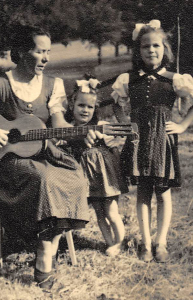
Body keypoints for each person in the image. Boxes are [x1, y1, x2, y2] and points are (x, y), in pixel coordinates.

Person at [0, 25, 89, 289]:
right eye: (40, 51)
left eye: (48, 51)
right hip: (7, 163)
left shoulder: (52, 85)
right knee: (43, 180)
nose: (47, 58)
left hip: (44, 154)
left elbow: (59, 123)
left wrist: (83, 133)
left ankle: (48, 247)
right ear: (21, 53)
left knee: (73, 177)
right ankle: (43, 267)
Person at [110, 20, 193, 262]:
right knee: (143, 192)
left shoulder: (174, 79)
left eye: (156, 46)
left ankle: (160, 242)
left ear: (165, 49)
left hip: (163, 140)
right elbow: (117, 103)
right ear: (138, 51)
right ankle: (146, 243)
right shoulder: (129, 79)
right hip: (139, 141)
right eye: (145, 47)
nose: (151, 50)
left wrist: (182, 125)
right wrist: (125, 126)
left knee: (162, 192)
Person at [63, 76, 128, 257]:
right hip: (87, 178)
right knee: (99, 213)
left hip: (105, 176)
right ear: (72, 106)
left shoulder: (100, 126)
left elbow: (114, 149)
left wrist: (118, 174)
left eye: (90, 107)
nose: (85, 110)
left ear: (95, 109)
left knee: (111, 211)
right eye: (81, 105)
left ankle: (120, 242)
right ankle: (110, 243)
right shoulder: (67, 129)